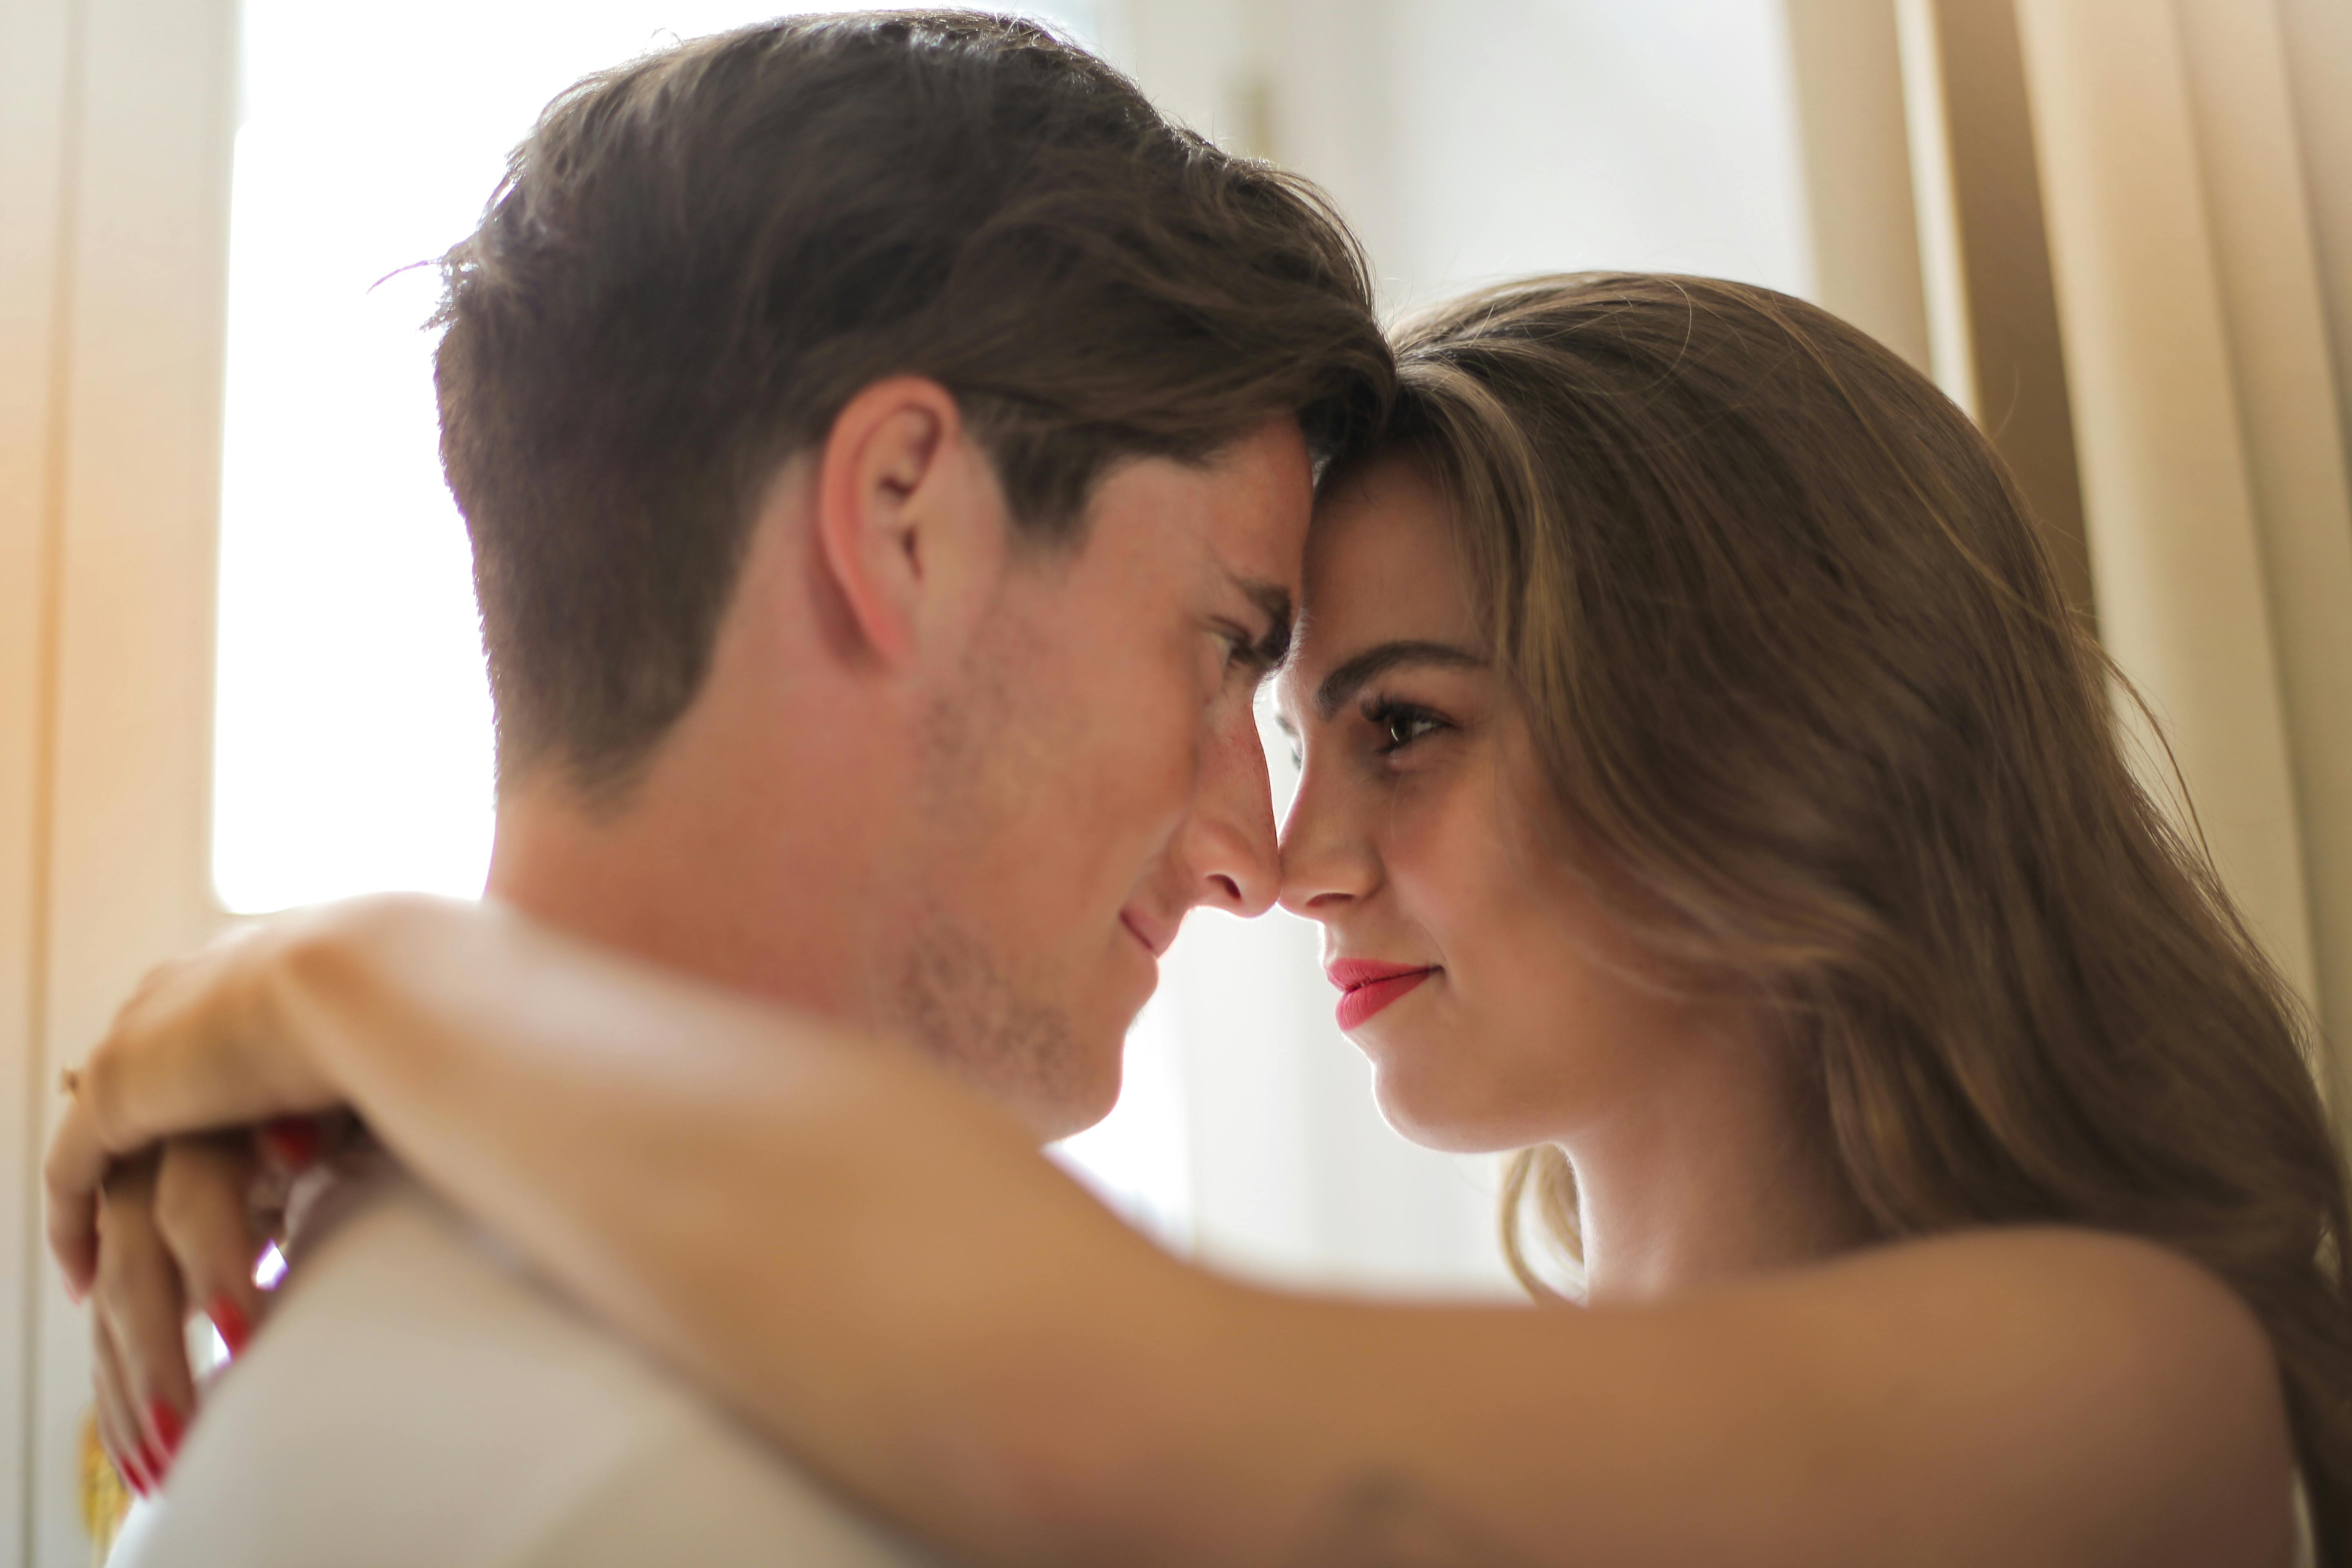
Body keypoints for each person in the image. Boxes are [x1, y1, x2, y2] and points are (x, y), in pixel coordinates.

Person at [60, 270, 2350, 1564]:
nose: (1294, 863)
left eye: (1410, 730)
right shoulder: (1501, 1412)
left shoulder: (2122, 1380)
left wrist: (352, 975)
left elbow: (1098, 1401)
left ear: (1766, 723)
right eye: (1274, 694)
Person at [58, 11, 1392, 1564]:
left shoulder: (413, 1367)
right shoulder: (705, 1497)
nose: (1256, 856)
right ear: (905, 519)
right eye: (1228, 644)